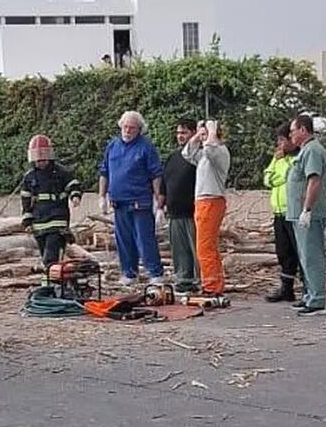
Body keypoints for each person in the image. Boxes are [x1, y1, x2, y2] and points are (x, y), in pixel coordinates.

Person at [98, 110, 165, 286]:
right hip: (118, 202)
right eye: (125, 127)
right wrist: (102, 196)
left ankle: (155, 272)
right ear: (121, 126)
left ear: (139, 129)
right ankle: (129, 273)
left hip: (140, 202)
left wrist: (159, 203)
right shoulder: (112, 146)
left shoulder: (146, 147)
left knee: (144, 239)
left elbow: (156, 175)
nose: (127, 131)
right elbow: (104, 172)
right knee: (123, 240)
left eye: (132, 128)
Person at [286, 115, 326, 316]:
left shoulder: (312, 150)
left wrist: (307, 209)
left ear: (303, 130)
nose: (290, 135)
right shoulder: (305, 150)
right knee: (305, 256)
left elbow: (314, 181)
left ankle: (316, 299)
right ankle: (309, 294)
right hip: (299, 213)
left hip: (309, 213)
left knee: (312, 255)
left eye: (293, 130)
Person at [19, 135, 82, 277]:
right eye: (38, 159)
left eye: (43, 159)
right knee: (45, 257)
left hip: (57, 221)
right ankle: (50, 283)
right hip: (39, 223)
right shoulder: (29, 177)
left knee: (51, 258)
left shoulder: (60, 172)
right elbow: (26, 200)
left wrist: (75, 196)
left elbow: (73, 184)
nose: (41, 162)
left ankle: (53, 284)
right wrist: (27, 220)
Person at [182, 119, 231, 295]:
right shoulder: (204, 155)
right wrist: (197, 134)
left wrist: (211, 130)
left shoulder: (220, 152)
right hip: (203, 201)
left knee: (204, 247)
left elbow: (210, 148)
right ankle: (215, 282)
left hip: (211, 201)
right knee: (208, 245)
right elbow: (187, 153)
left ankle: (211, 286)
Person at [263, 123, 301, 302]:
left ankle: (308, 288)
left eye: (282, 140)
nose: (279, 144)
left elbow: (287, 175)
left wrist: (277, 175)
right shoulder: (277, 158)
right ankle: (287, 288)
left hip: (292, 210)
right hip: (278, 211)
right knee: (283, 251)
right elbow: (267, 178)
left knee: (298, 250)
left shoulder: (297, 157)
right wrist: (276, 162)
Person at [162, 119, 199, 293]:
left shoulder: (198, 155)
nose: (180, 136)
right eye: (178, 133)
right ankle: (183, 278)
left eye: (184, 133)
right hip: (174, 212)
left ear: (193, 133)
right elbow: (164, 182)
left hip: (193, 211)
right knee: (179, 249)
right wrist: (160, 205)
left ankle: (200, 279)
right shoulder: (173, 157)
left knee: (196, 248)